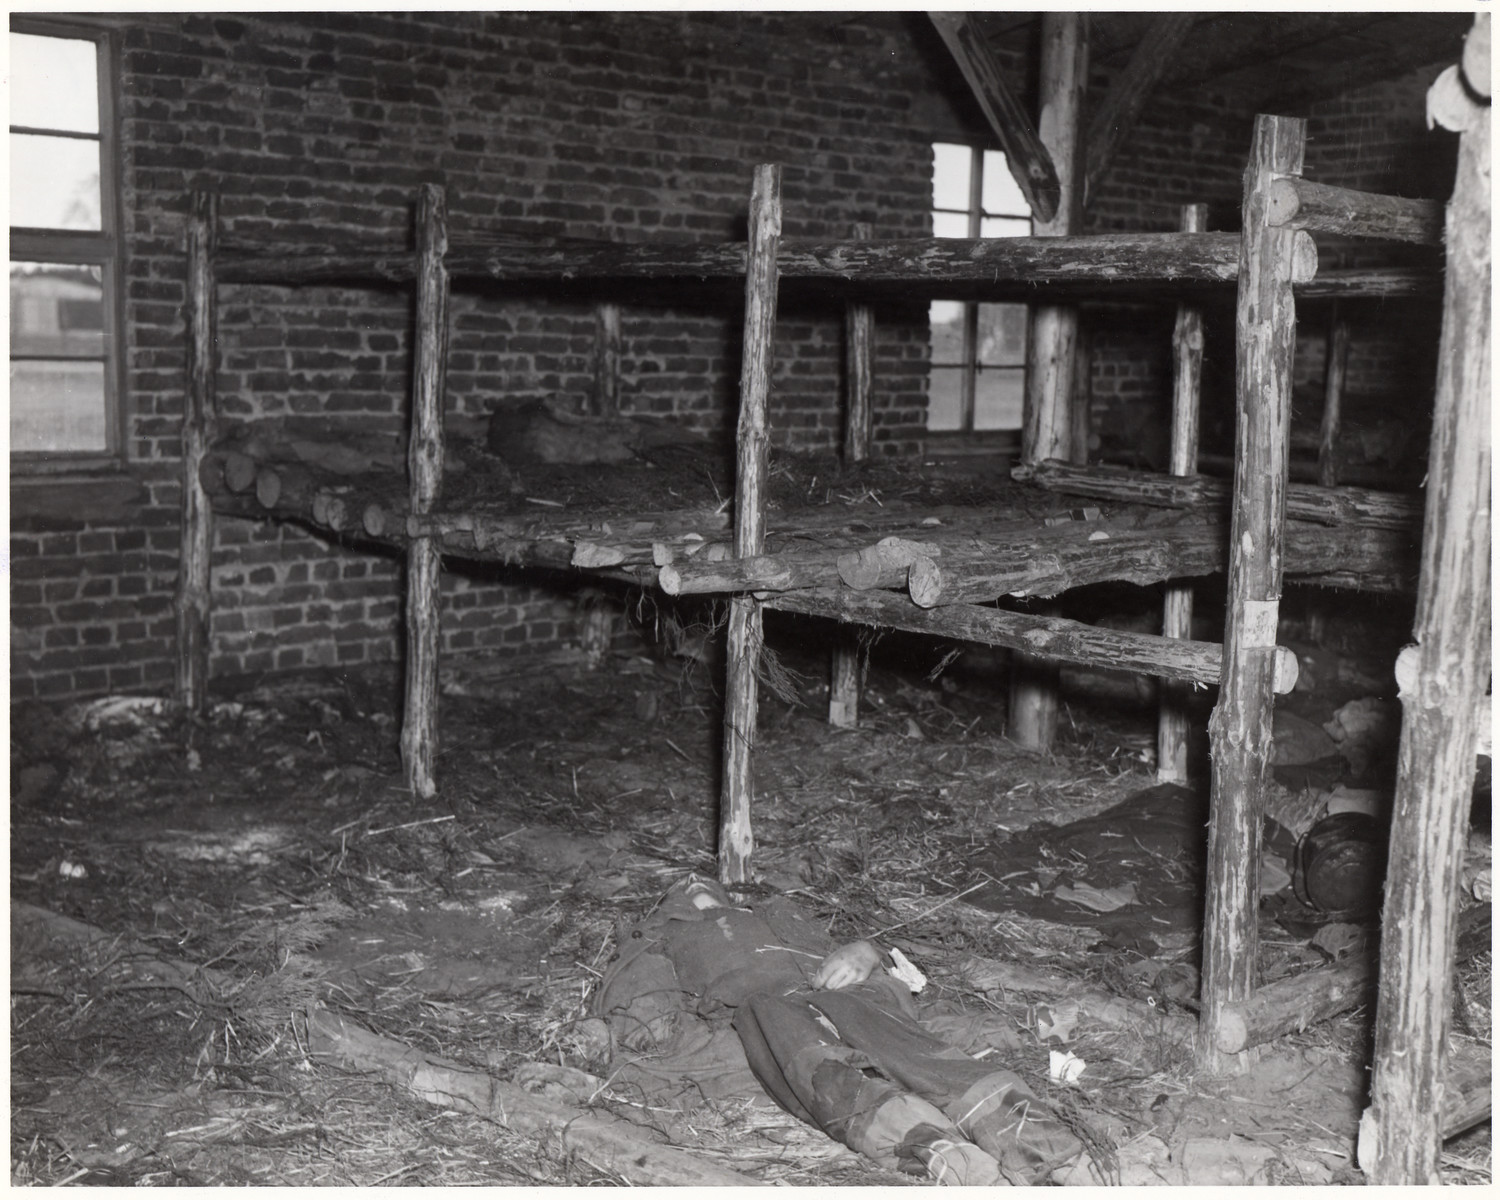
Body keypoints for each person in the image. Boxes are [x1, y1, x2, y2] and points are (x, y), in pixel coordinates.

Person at [595, 874, 1091, 1185]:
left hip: (853, 999)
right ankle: (945, 1154)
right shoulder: (660, 938)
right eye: (680, 884)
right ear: (664, 907)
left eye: (703, 877)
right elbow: (644, 1016)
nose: (693, 879)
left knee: (910, 1051)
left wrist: (866, 949)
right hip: (773, 1015)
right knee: (816, 1061)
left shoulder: (774, 912)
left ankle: (1048, 1147)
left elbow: (881, 962)